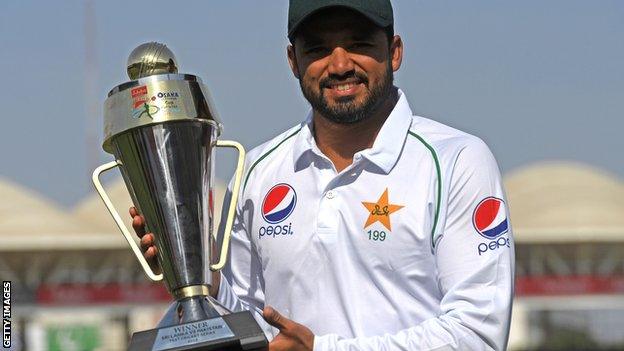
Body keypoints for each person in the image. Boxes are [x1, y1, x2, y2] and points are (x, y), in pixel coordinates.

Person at [133, 0, 515, 350]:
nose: (340, 65)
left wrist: (323, 349)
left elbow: (477, 334)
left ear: (394, 52)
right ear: (293, 61)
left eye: (359, 44)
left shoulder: (456, 160)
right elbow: (251, 329)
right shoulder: (257, 172)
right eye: (317, 49)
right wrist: (204, 279)